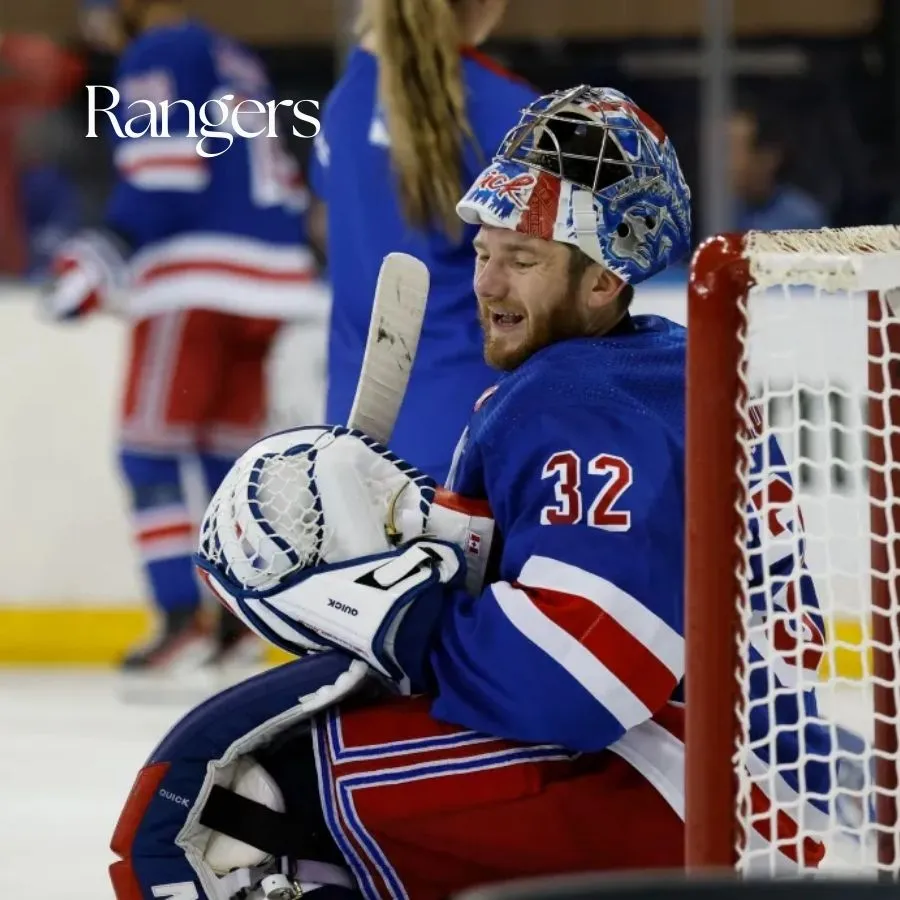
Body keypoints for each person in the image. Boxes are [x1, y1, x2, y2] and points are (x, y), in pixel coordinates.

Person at [113, 86, 865, 900]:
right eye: (483, 250)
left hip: (692, 795)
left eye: (526, 258)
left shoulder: (584, 405)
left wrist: (375, 600)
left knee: (213, 805)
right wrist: (409, 533)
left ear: (606, 280)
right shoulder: (643, 371)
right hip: (757, 784)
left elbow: (576, 681)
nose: (488, 282)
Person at [42, 0, 325, 674]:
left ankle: (178, 617)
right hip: (272, 282)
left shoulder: (157, 50)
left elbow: (163, 174)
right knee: (225, 457)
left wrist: (106, 249)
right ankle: (234, 618)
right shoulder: (233, 54)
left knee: (148, 451)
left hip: (197, 281)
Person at [309, 0, 538, 484]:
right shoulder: (514, 115)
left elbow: (330, 233)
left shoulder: (341, 104)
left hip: (353, 451)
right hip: (478, 442)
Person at [729, 102, 828, 232]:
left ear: (768, 157)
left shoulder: (803, 221)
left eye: (735, 150)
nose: (727, 163)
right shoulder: (719, 214)